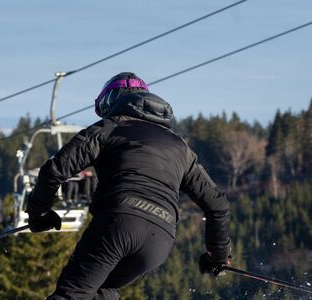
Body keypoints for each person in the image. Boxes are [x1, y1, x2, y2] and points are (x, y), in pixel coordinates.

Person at [26, 72, 231, 299]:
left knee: (73, 294)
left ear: (114, 100)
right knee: (104, 290)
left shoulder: (109, 127)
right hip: (160, 239)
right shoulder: (181, 148)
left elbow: (55, 170)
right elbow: (218, 205)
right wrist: (217, 256)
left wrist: (39, 213)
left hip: (118, 222)